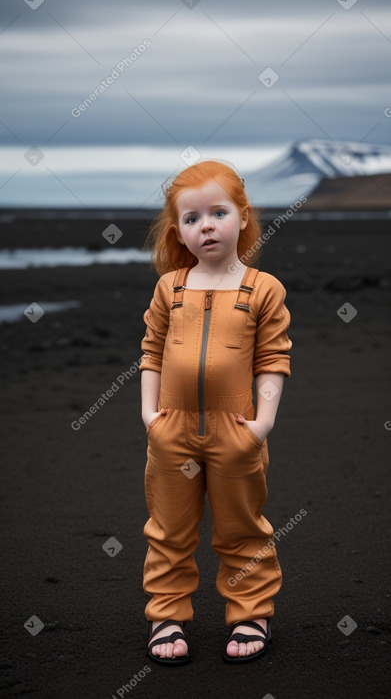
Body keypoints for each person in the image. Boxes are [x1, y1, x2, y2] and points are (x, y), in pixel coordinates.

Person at [139, 159, 293, 665]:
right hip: (172, 429)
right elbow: (151, 353)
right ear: (178, 233)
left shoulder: (263, 288)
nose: (205, 225)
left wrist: (262, 424)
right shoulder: (170, 288)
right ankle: (167, 614)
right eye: (191, 218)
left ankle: (251, 611)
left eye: (218, 212)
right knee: (169, 529)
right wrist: (150, 416)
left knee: (242, 527)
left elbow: (273, 360)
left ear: (242, 217)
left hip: (237, 429)